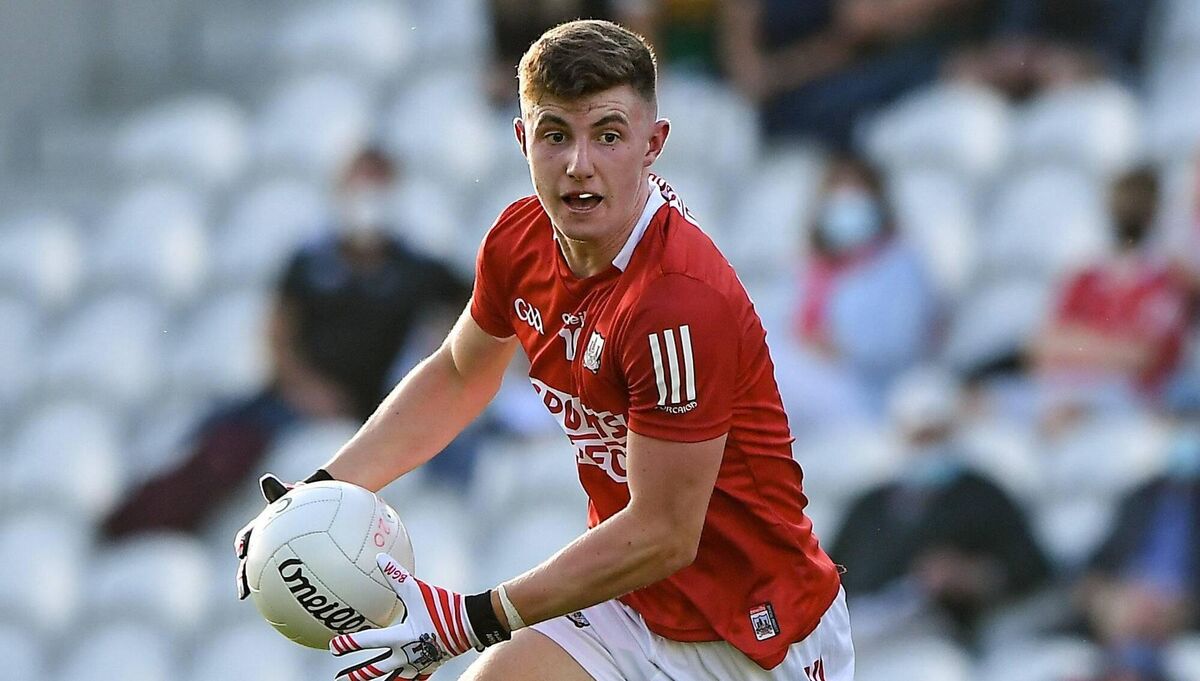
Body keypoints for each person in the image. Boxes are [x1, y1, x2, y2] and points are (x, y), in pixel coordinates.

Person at [235, 20, 852, 681]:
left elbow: (666, 533)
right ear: (522, 138)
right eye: (555, 134)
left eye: (608, 134)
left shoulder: (677, 302)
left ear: (654, 144)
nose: (578, 163)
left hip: (753, 634)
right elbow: (457, 372)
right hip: (633, 603)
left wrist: (472, 618)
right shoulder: (518, 239)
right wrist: (324, 489)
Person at [103, 147, 470, 537]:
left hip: (368, 405)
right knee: (217, 438)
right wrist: (307, 391)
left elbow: (473, 301)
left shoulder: (415, 270)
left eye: (375, 190)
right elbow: (279, 332)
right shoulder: (310, 262)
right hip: (297, 397)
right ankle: (142, 521)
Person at [829, 367, 1052, 647]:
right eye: (920, 437)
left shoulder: (983, 495)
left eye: (937, 436)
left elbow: (1033, 566)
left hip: (952, 638)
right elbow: (833, 575)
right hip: (870, 638)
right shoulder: (868, 505)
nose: (928, 447)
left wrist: (972, 575)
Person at [1030, 167, 1191, 416]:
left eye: (1135, 202)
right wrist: (1108, 347)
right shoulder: (1085, 275)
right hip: (1065, 390)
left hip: (1131, 401)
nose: (1126, 210)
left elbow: (1143, 355)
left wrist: (1079, 344)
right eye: (1122, 201)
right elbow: (1044, 343)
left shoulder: (1167, 281)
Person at [790, 153, 940, 411]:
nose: (845, 206)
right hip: (823, 381)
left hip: (875, 392)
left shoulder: (901, 261)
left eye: (855, 196)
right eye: (837, 196)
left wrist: (842, 346)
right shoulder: (816, 267)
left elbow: (904, 340)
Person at [1073, 426, 1200, 681]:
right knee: (1116, 604)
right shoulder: (1142, 496)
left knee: (1142, 610)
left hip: (1184, 599)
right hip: (1130, 590)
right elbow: (1105, 553)